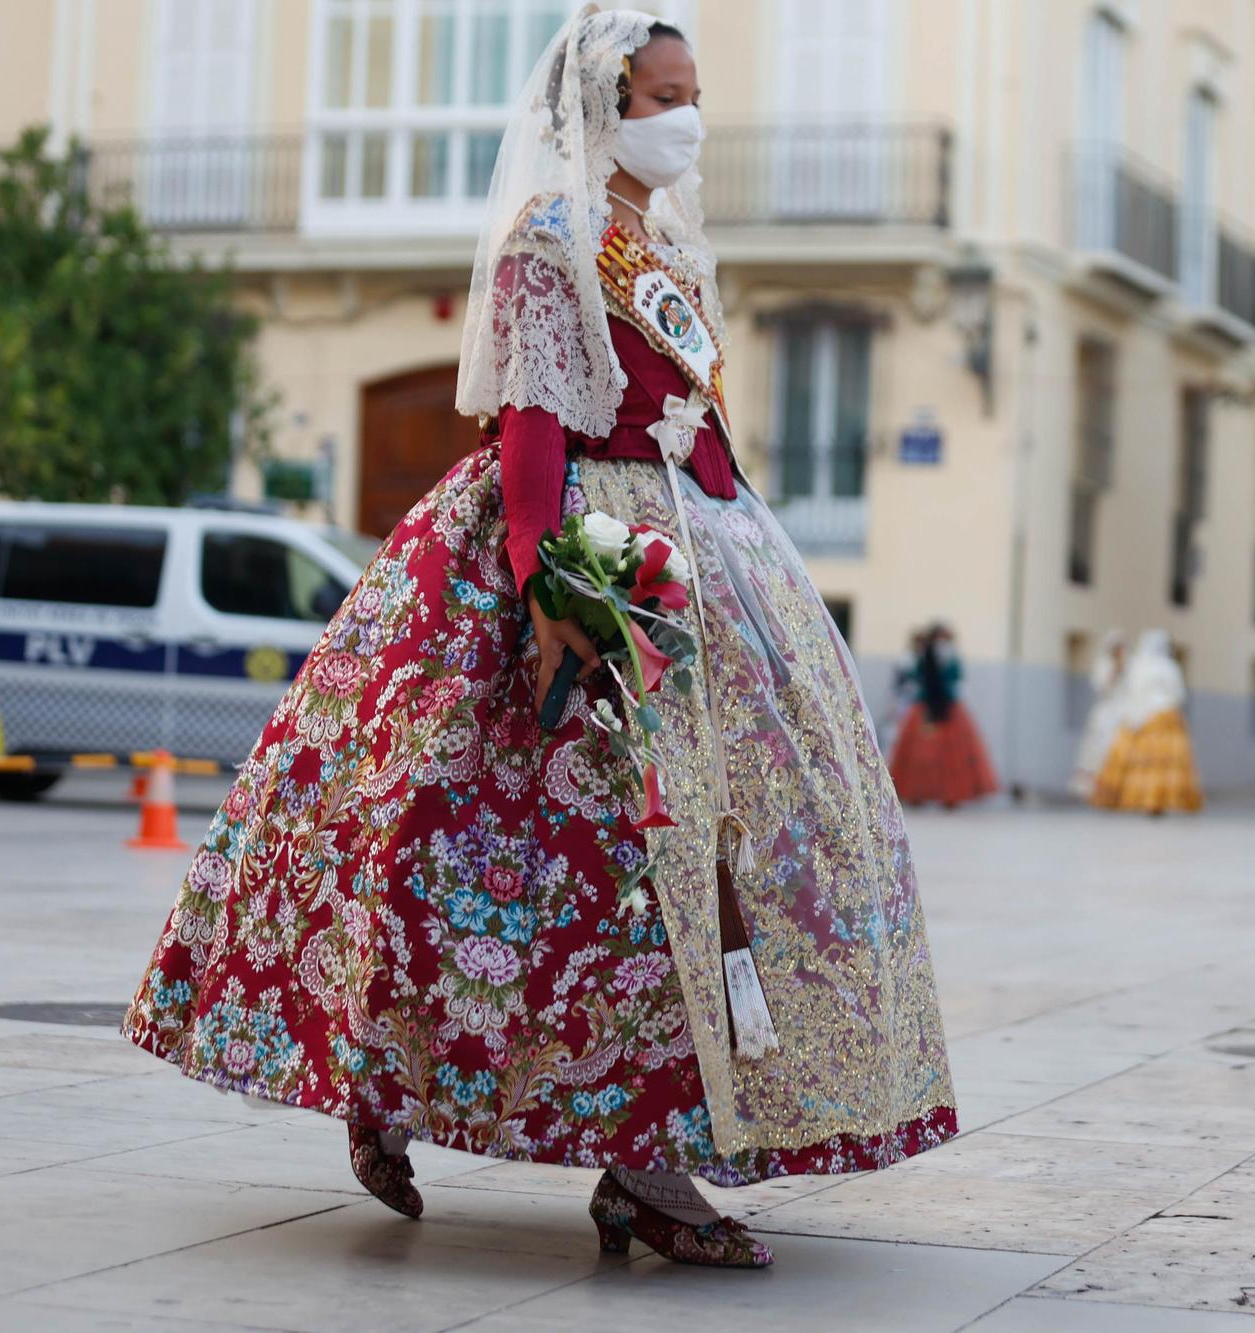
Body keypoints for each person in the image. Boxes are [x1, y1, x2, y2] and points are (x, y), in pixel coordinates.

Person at [123, 8, 956, 1271]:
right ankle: (405, 1084)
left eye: (693, 92)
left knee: (696, 867)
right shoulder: (553, 238)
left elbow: (700, 420)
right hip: (593, 558)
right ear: (603, 106)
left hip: (702, 552)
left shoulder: (662, 241)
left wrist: (744, 558)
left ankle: (644, 1158)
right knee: (486, 839)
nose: (688, 117)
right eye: (662, 94)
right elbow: (531, 421)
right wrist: (544, 579)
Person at [1091, 630, 1204, 815]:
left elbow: (1134, 693)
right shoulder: (1170, 667)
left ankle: (1141, 798)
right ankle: (1163, 799)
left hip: (1145, 716)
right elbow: (1178, 693)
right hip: (1168, 716)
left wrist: (1134, 716)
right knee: (1168, 761)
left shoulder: (1139, 667)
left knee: (1142, 761)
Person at [888, 623, 999, 808]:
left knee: (953, 756)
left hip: (949, 708)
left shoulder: (952, 659)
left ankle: (952, 797)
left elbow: (957, 680)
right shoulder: (924, 658)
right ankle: (916, 795)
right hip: (925, 706)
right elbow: (918, 678)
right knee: (920, 755)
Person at [1070, 630, 1128, 799]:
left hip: (1122, 712)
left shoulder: (1127, 666)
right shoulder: (1103, 665)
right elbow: (1102, 687)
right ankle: (1094, 788)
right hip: (1105, 714)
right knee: (1099, 749)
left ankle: (1117, 788)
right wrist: (1115, 670)